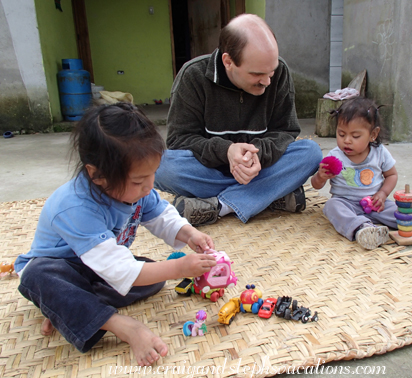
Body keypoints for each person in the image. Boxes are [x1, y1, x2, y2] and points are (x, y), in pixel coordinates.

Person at [14, 103, 217, 367]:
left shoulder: (137, 190)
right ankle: (120, 325)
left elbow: (160, 214)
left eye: (153, 174)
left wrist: (188, 233)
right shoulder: (75, 206)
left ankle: (68, 307)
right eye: (138, 180)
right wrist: (179, 268)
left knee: (152, 276)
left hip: (99, 268)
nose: (150, 185)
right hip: (61, 270)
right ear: (97, 174)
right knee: (40, 276)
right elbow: (119, 269)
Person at [154, 14, 322, 226]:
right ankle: (269, 195)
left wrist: (257, 155)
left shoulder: (279, 72)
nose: (268, 81)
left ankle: (220, 206)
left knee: (310, 153)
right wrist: (227, 151)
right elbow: (179, 140)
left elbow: (285, 131)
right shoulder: (193, 76)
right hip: (209, 170)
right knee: (157, 164)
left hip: (262, 168)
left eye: (271, 72)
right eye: (257, 74)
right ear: (228, 62)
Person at [311, 97, 412, 250]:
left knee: (404, 214)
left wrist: (382, 194)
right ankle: (363, 229)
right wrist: (320, 177)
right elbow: (316, 185)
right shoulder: (334, 156)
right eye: (341, 134)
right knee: (332, 206)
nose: (347, 140)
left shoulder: (379, 152)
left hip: (376, 204)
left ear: (373, 135)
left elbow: (391, 175)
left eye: (355, 136)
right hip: (345, 203)